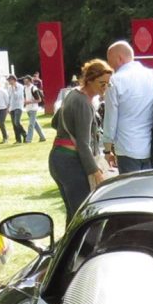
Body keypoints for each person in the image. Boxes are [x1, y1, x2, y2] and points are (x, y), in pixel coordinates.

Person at [51, 58, 112, 218]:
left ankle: (70, 244)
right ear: (89, 80)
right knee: (83, 215)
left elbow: (54, 122)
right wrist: (95, 172)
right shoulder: (83, 102)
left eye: (107, 83)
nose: (105, 87)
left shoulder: (73, 94)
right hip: (69, 161)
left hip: (59, 158)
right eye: (102, 83)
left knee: (74, 215)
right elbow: (83, 145)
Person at [103, 40, 153, 172]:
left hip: (127, 146)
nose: (110, 66)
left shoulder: (115, 81)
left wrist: (107, 149)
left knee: (131, 190)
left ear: (120, 58)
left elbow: (110, 118)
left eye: (110, 61)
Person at [24, 77, 46, 142]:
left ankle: (28, 139)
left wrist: (29, 102)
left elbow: (39, 99)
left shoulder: (34, 88)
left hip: (33, 108)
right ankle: (42, 137)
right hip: (28, 108)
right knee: (35, 124)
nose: (25, 83)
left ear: (30, 81)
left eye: (27, 81)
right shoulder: (25, 88)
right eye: (24, 81)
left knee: (31, 124)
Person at [4, 74, 24, 143]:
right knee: (14, 124)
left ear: (14, 80)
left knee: (17, 122)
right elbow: (9, 98)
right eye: (8, 80)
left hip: (18, 106)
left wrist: (14, 88)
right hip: (12, 107)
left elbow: (17, 96)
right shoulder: (9, 88)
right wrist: (8, 108)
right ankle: (18, 139)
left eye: (10, 80)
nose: (9, 81)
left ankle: (24, 133)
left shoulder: (20, 86)